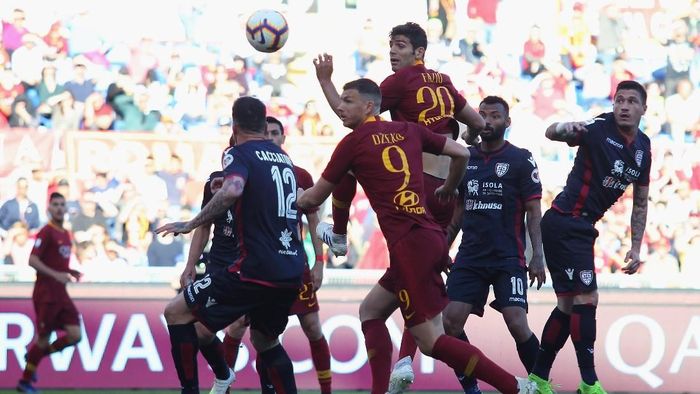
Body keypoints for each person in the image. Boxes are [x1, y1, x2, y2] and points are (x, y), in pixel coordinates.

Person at [297, 78, 536, 394]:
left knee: (432, 340)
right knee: (371, 312)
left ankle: (515, 387)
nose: (340, 107)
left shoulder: (352, 144)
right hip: (429, 236)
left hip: (410, 244)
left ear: (369, 106)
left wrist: (293, 197)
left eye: (348, 100)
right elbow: (462, 154)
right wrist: (450, 187)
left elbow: (312, 199)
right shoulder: (409, 130)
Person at [313, 22, 485, 390]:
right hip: (446, 192)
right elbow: (479, 123)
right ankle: (406, 358)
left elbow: (353, 121)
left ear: (418, 53)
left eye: (401, 46)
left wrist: (326, 82)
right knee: (419, 275)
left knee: (354, 159)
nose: (393, 52)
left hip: (418, 187)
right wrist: (459, 153)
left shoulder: (400, 82)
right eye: (391, 46)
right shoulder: (444, 81)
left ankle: (340, 235)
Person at [156, 96, 305, 394]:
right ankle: (227, 377)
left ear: (234, 126)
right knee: (265, 341)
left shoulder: (238, 153)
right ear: (265, 126)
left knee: (175, 312)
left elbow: (233, 189)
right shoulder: (283, 158)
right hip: (290, 268)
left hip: (253, 268)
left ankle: (195, 389)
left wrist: (189, 224)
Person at [527, 80, 651, 394]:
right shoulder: (598, 128)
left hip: (581, 228)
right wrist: (562, 127)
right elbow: (553, 132)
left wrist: (636, 246)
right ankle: (589, 382)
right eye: (619, 100)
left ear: (643, 109)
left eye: (631, 101)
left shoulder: (643, 148)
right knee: (587, 299)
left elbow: (640, 200)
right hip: (564, 223)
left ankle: (538, 378)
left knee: (568, 306)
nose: (624, 106)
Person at [442, 96, 546, 393]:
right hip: (470, 257)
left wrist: (537, 255)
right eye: (482, 115)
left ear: (507, 122)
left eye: (494, 116)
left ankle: (542, 384)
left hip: (507, 258)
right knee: (449, 324)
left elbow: (533, 211)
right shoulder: (465, 158)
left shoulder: (520, 159)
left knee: (516, 323)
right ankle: (471, 387)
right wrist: (443, 248)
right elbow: (459, 211)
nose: (487, 121)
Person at [17, 192, 82, 394]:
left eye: (62, 204)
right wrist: (56, 274)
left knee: (75, 334)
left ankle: (36, 356)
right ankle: (24, 382)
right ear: (49, 209)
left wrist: (69, 271)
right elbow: (32, 260)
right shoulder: (46, 232)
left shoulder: (64, 233)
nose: (59, 208)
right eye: (55, 204)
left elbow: (55, 260)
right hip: (46, 294)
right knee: (44, 337)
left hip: (60, 293)